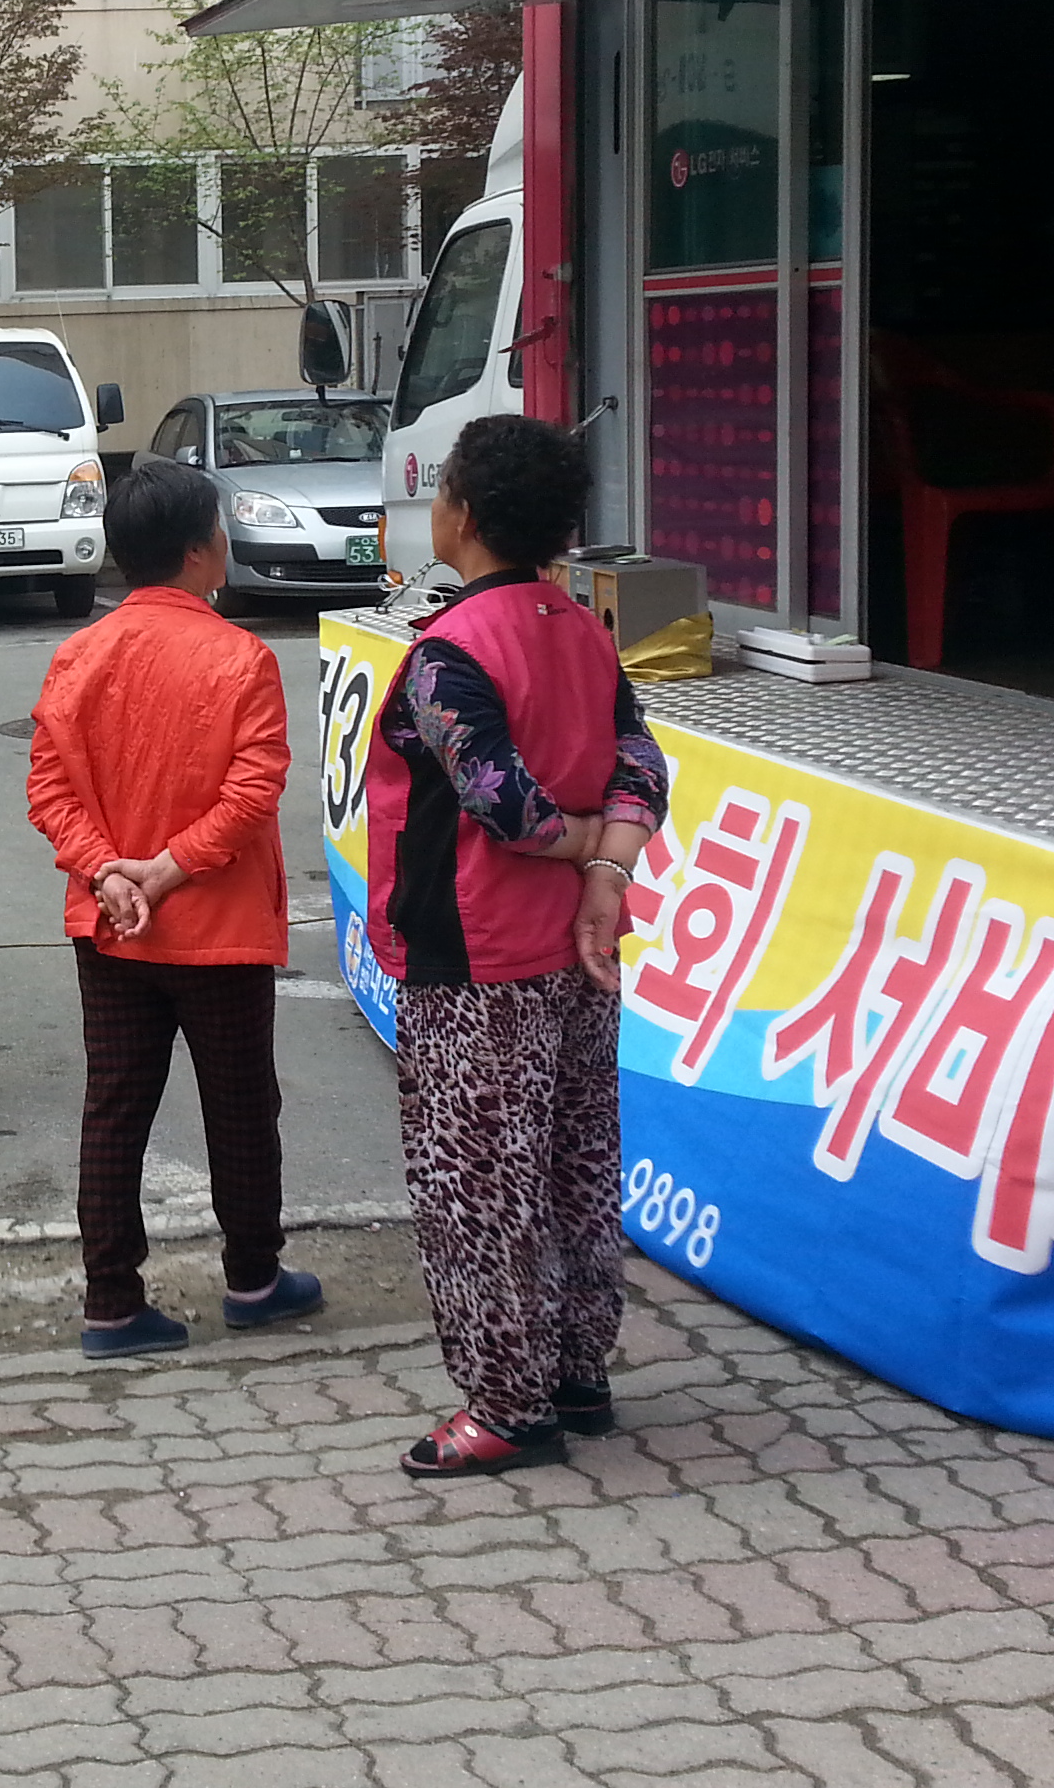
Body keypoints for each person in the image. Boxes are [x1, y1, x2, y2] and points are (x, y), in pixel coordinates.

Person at [371, 414, 667, 1477]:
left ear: (462, 512)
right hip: (578, 951)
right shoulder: (581, 628)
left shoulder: (449, 653)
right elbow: (643, 762)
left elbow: (505, 807)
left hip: (478, 956)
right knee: (575, 1161)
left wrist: (578, 843)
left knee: (479, 1185)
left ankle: (505, 1403)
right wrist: (608, 869)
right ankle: (578, 1372)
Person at [26, 456, 322, 1359]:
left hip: (110, 929)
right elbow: (253, 790)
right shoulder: (241, 657)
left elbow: (49, 791)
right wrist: (169, 870)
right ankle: (254, 1279)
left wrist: (109, 873)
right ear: (201, 551)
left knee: (114, 1111)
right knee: (241, 1107)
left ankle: (111, 1303)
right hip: (218, 932)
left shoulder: (78, 656)